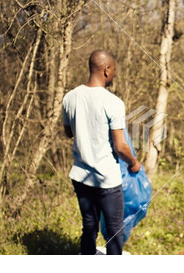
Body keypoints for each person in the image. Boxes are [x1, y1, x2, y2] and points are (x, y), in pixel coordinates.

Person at [62, 50, 141, 255]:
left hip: (80, 175)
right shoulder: (113, 102)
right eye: (113, 70)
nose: (114, 74)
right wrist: (134, 162)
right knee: (114, 231)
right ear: (106, 70)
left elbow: (68, 132)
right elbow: (120, 146)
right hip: (106, 179)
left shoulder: (70, 97)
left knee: (89, 226)